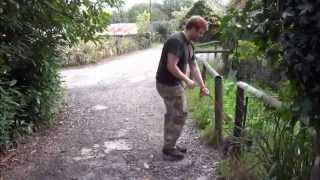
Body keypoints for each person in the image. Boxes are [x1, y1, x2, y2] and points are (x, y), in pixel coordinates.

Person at [156, 16, 210, 161]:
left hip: (175, 83)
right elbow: (171, 66)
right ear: (192, 28)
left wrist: (202, 86)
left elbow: (194, 67)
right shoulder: (176, 41)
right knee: (179, 114)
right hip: (168, 84)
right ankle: (169, 148)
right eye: (200, 32)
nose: (201, 36)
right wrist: (187, 80)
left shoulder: (189, 45)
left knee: (175, 113)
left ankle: (171, 144)